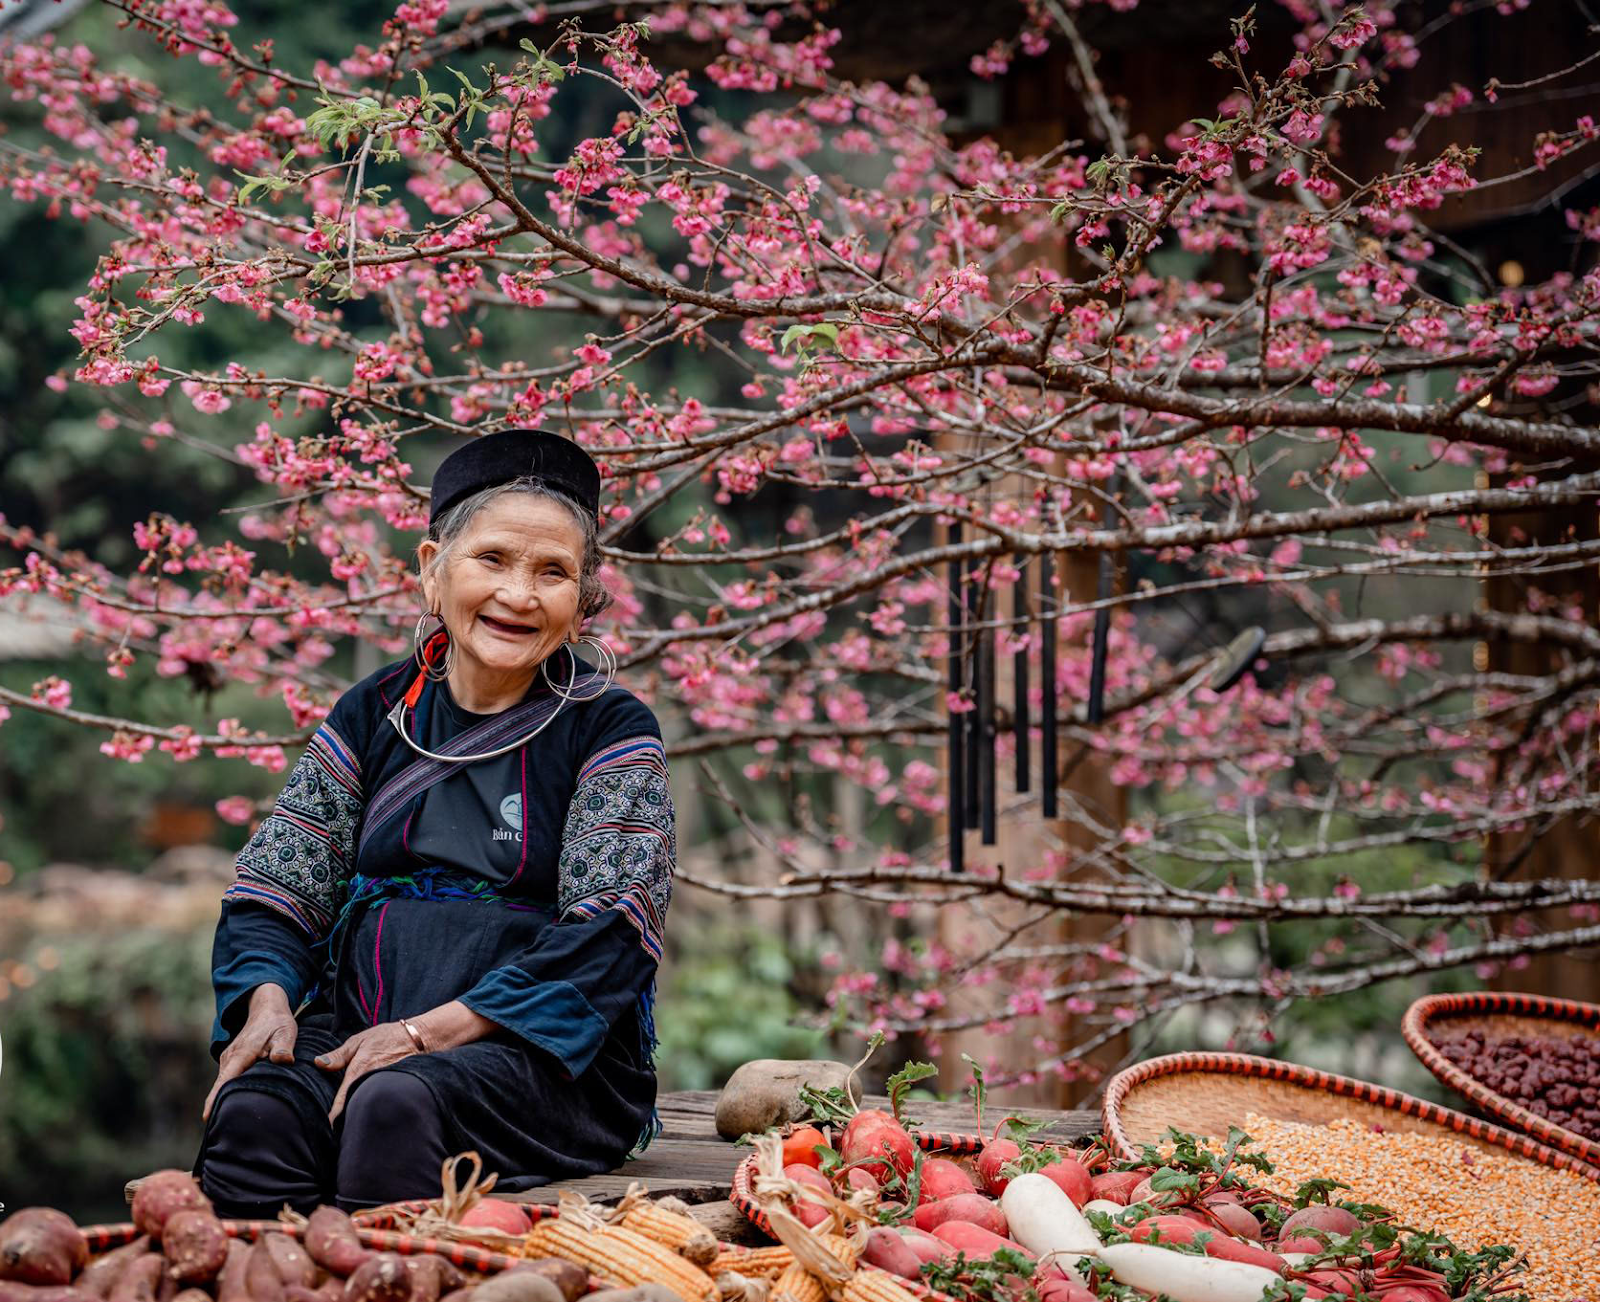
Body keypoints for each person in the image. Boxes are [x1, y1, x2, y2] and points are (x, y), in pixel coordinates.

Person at [194, 431, 674, 1215]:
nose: (519, 596)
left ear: (583, 603)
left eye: (552, 572)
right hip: (361, 1019)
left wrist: (425, 1035)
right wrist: (269, 997)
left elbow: (613, 927)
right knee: (256, 1112)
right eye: (492, 559)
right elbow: (281, 884)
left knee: (393, 1105)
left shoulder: (610, 728)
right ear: (431, 570)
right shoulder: (372, 712)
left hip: (535, 1056)